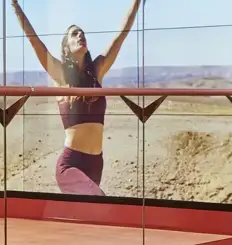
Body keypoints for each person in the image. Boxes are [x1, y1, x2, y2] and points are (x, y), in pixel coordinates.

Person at [10, 0, 143, 196]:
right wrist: (15, 5)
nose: (80, 35)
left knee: (88, 219)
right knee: (101, 203)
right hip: (71, 164)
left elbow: (121, 35)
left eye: (82, 33)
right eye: (74, 33)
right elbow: (34, 40)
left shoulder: (97, 70)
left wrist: (136, 3)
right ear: (66, 47)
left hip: (96, 163)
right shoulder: (61, 74)